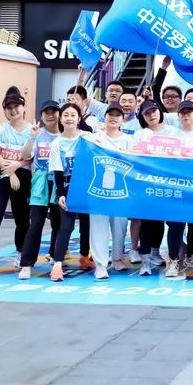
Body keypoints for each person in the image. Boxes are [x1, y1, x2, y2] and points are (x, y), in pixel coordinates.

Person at [0, 89, 34, 273]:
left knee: (22, 217)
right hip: (2, 173)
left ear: (23, 107)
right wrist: (10, 172)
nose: (13, 110)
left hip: (23, 175)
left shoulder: (32, 130)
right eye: (9, 107)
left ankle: (22, 252)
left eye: (17, 106)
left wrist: (17, 166)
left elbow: (31, 158)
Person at [163, 100, 193, 278]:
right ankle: (173, 260)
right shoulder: (171, 135)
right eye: (182, 112)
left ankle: (192, 255)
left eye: (189, 112)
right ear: (178, 115)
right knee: (175, 223)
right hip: (176, 185)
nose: (186, 115)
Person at [132, 100, 177, 275]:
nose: (151, 115)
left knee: (160, 220)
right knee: (147, 221)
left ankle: (156, 252)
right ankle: (145, 261)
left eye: (154, 111)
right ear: (142, 117)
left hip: (167, 182)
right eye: (147, 113)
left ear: (160, 112)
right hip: (146, 183)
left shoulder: (173, 132)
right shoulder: (140, 134)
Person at [19, 100, 62, 280]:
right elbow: (24, 156)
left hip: (59, 181)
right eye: (46, 112)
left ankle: (55, 255)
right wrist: (32, 138)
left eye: (54, 112)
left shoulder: (65, 134)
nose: (50, 115)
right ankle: (26, 264)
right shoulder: (37, 134)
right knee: (36, 223)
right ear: (41, 116)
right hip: (40, 183)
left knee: (58, 223)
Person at [90, 105, 133, 279]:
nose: (113, 118)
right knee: (98, 225)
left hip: (121, 190)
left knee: (120, 225)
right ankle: (100, 264)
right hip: (98, 190)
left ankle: (117, 258)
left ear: (123, 119)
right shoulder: (95, 138)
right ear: (105, 117)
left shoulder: (129, 141)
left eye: (117, 115)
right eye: (110, 114)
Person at [48, 103, 88, 282]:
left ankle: (85, 255)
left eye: (73, 115)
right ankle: (57, 264)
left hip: (86, 188)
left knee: (87, 224)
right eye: (66, 115)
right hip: (67, 189)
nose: (69, 118)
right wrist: (61, 194)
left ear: (79, 118)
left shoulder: (87, 138)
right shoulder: (57, 143)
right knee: (66, 226)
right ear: (61, 118)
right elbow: (58, 171)